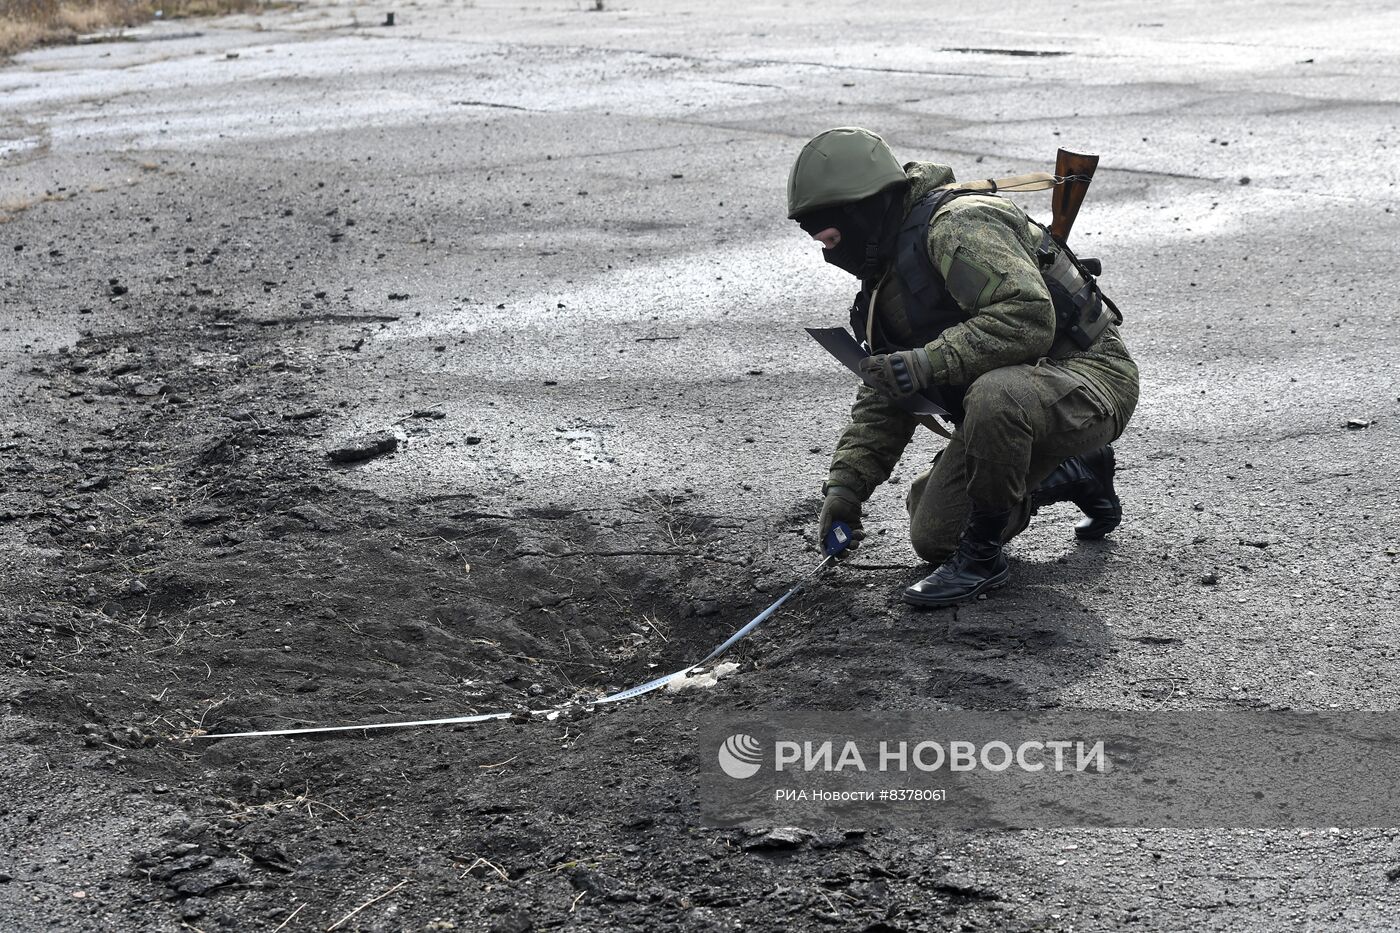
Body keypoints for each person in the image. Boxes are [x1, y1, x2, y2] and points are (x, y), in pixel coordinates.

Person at [790, 127, 1139, 607]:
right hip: (1017, 396)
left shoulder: (959, 225)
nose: (829, 253)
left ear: (863, 210)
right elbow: (887, 391)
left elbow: (1029, 318)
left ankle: (981, 559)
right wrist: (847, 488)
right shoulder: (885, 274)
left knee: (996, 395)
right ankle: (1077, 472)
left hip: (1089, 377)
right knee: (934, 534)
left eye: (831, 237)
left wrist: (926, 361)